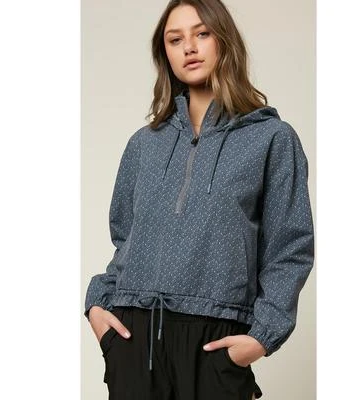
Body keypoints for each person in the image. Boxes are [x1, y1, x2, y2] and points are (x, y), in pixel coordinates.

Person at [84, 1, 315, 399]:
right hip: (135, 339)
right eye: (175, 39)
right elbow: (124, 238)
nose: (189, 47)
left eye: (202, 33)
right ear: (165, 53)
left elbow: (290, 247)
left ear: (224, 40)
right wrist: (98, 310)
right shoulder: (143, 144)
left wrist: (262, 337)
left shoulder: (272, 139)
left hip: (215, 341)